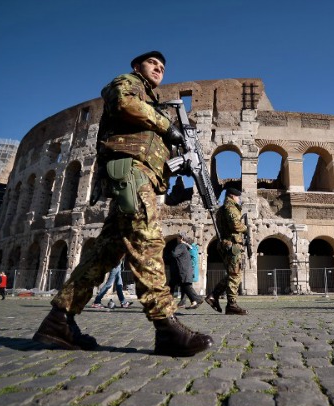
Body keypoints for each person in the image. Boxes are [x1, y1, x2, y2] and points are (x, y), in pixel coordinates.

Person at [32, 51, 213, 356]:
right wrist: (167, 126)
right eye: (152, 63)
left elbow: (149, 144)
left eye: (162, 67)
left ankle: (58, 321)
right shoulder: (128, 84)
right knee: (147, 239)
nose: (158, 68)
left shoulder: (150, 102)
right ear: (136, 66)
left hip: (139, 172)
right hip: (130, 171)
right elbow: (124, 103)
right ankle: (165, 326)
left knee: (105, 252)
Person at [205, 188, 249, 315]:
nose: (239, 199)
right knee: (235, 275)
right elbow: (235, 225)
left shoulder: (222, 209)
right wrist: (246, 228)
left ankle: (214, 295)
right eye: (238, 197)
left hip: (227, 244)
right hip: (232, 245)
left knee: (232, 274)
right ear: (232, 196)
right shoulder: (230, 207)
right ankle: (231, 305)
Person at [170, 233, 203, 309]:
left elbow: (174, 254)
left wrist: (170, 251)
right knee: (185, 286)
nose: (177, 239)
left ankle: (197, 299)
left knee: (186, 286)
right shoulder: (186, 247)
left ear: (181, 238)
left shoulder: (181, 246)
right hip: (186, 270)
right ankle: (193, 301)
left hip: (183, 270)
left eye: (178, 238)